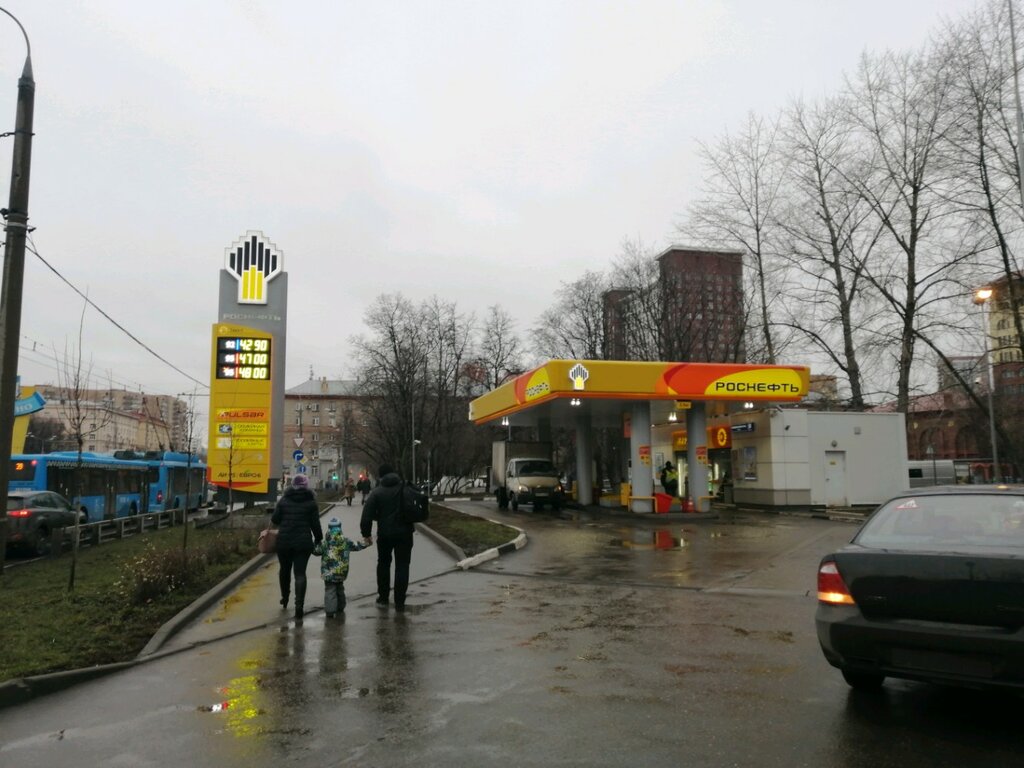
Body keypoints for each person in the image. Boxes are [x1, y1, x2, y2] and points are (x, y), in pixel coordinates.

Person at [360, 463, 417, 611]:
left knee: (384, 564)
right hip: (405, 533)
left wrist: (366, 534)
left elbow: (366, 516)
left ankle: (383, 597)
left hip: (385, 534)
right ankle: (400, 600)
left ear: (380, 476)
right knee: (403, 566)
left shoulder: (377, 493)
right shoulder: (405, 487)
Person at [271, 474, 323, 622]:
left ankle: (285, 598)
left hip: (284, 542)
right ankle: (299, 606)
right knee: (300, 574)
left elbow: (275, 519)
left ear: (292, 485)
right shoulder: (311, 503)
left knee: (284, 570)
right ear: (306, 486)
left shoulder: (284, 500)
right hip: (303, 543)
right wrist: (318, 539)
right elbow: (315, 525)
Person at [313, 517, 369, 617]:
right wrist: (367, 542)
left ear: (329, 528)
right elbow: (358, 545)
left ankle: (330, 611)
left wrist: (312, 544)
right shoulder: (346, 541)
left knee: (330, 589)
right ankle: (340, 607)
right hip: (341, 571)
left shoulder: (326, 543)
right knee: (340, 588)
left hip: (328, 572)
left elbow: (316, 551)